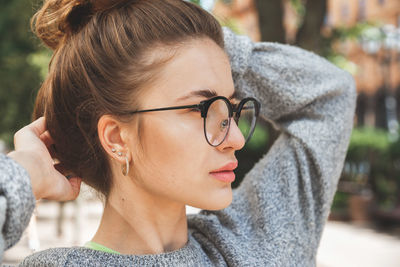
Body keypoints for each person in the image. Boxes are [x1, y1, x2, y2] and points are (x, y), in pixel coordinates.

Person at [0, 0, 356, 265]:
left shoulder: (259, 241)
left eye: (230, 108)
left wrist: (209, 46)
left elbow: (330, 94)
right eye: (200, 108)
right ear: (116, 138)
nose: (234, 137)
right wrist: (25, 173)